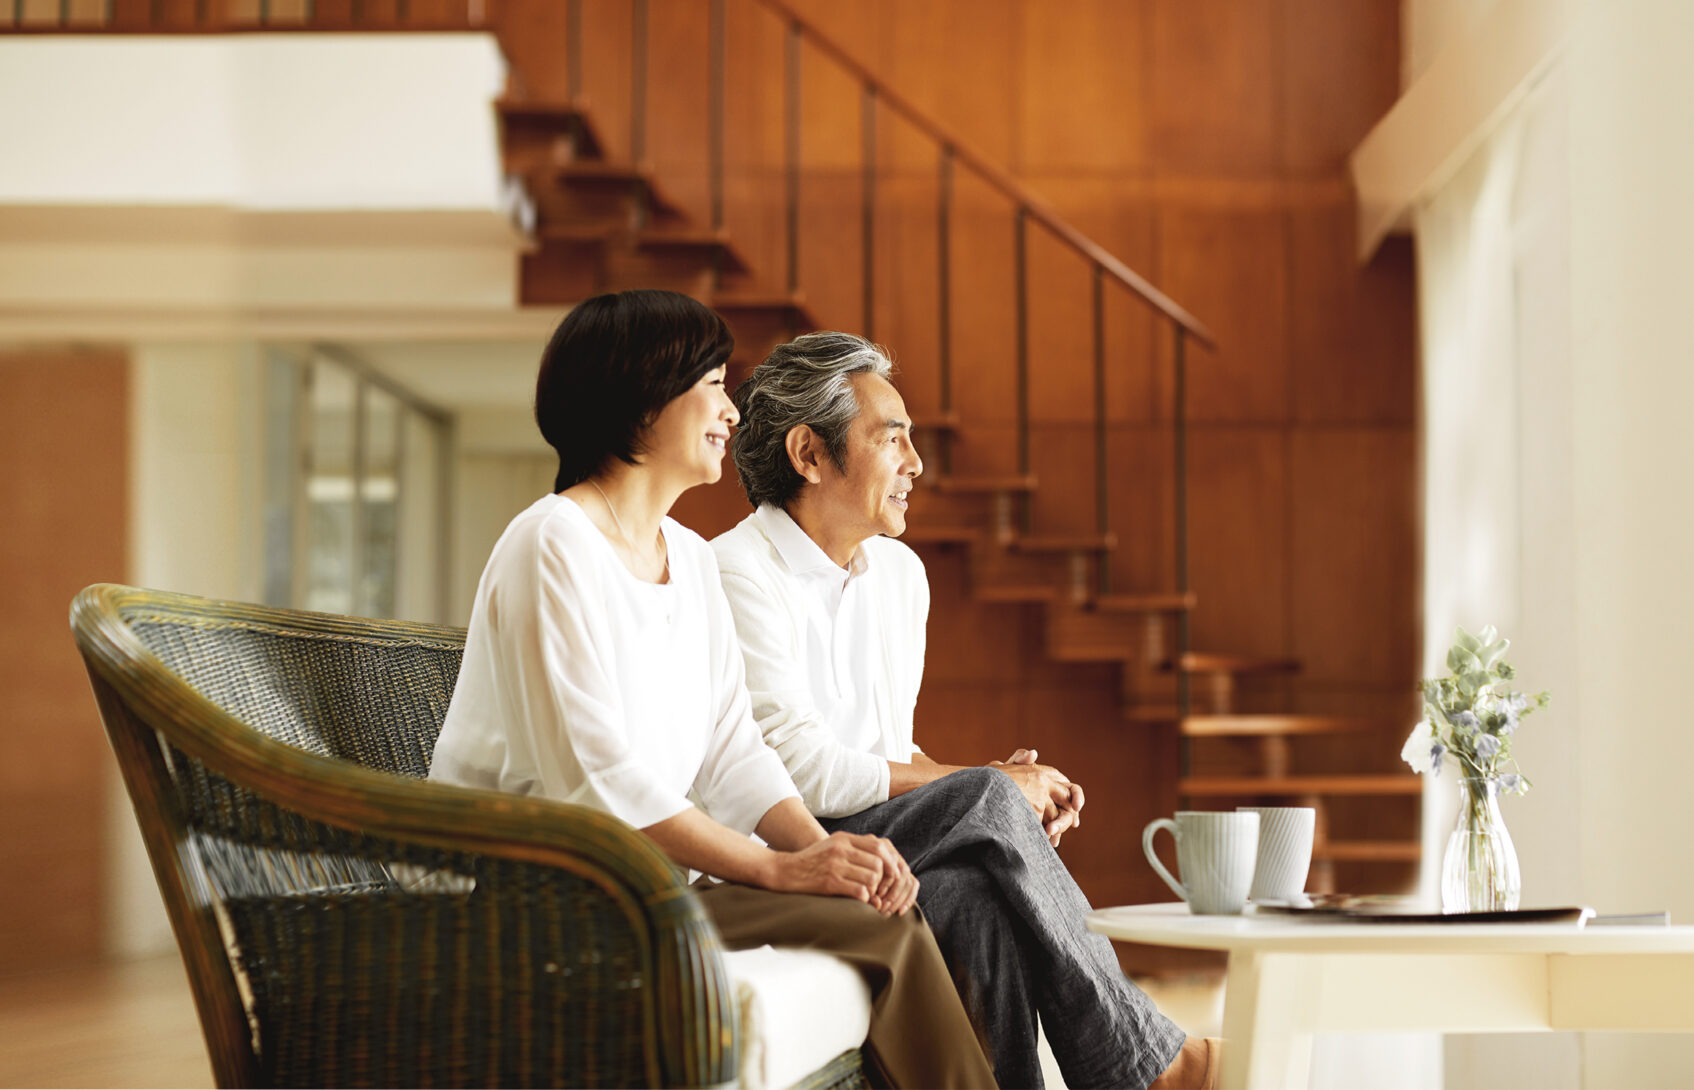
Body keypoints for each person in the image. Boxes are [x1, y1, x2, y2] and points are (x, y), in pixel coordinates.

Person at [428, 292, 996, 1090]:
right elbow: (596, 782)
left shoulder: (690, 559)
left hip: (651, 887)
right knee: (890, 934)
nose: (731, 412)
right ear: (642, 397)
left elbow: (735, 748)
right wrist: (776, 872)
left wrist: (818, 849)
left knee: (885, 910)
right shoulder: (551, 542)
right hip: (546, 896)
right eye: (714, 385)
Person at [711, 332, 1216, 1090]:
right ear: (810, 454)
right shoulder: (735, 570)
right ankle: (1149, 1065)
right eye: (893, 439)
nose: (916, 464)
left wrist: (979, 794)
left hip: (873, 836)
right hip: (778, 848)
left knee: (970, 893)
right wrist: (983, 791)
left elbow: (888, 748)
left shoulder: (900, 576)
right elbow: (798, 768)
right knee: (986, 798)